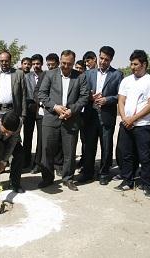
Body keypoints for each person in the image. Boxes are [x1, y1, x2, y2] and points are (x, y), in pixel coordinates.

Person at [38, 50, 89, 191]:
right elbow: (41, 94)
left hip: (71, 119)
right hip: (51, 118)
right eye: (63, 63)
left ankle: (68, 178)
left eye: (69, 64)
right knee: (47, 150)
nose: (66, 66)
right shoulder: (49, 74)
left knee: (70, 151)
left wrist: (71, 111)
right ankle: (47, 178)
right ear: (60, 61)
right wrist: (55, 107)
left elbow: (84, 97)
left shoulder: (81, 77)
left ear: (74, 63)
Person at [114, 50, 150, 199]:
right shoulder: (126, 80)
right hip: (126, 124)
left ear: (144, 64)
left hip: (143, 125)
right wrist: (125, 118)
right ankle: (127, 181)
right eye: (131, 63)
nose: (132, 67)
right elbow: (121, 100)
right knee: (126, 154)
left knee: (144, 156)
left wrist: (134, 119)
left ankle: (147, 185)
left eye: (136, 64)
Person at [78, 46, 123, 185]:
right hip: (90, 115)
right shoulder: (88, 74)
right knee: (89, 145)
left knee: (106, 145)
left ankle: (104, 173)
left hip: (107, 115)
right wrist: (90, 97)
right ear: (98, 57)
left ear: (111, 60)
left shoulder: (117, 75)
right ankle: (88, 172)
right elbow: (82, 92)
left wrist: (107, 99)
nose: (103, 62)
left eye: (106, 60)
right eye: (101, 58)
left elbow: (120, 96)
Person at [0, 50, 27, 118]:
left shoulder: (19, 74)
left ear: (10, 61)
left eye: (6, 61)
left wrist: (23, 114)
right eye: (1, 61)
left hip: (13, 111)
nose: (4, 63)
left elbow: (23, 96)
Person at [23, 54, 45, 172]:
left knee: (41, 137)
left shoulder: (46, 76)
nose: (35, 66)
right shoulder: (26, 77)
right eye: (34, 64)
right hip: (29, 107)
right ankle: (26, 161)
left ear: (42, 64)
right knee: (27, 136)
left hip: (42, 108)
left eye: (38, 64)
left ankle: (38, 163)